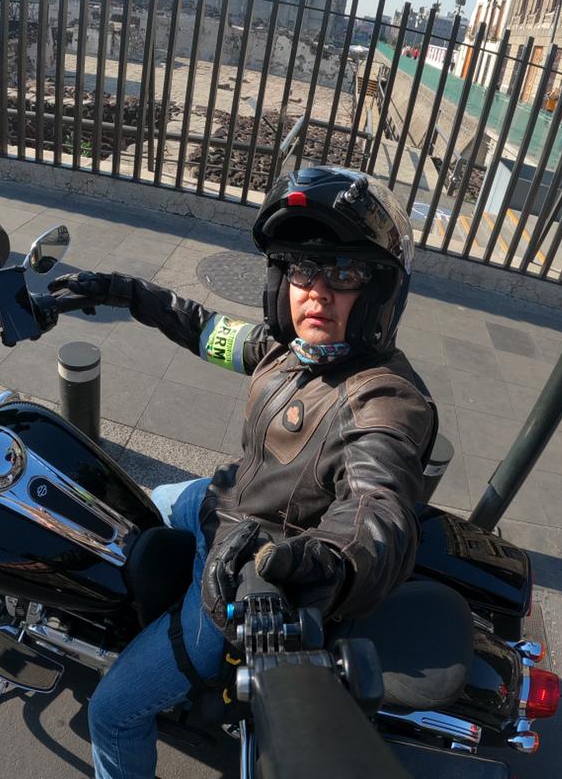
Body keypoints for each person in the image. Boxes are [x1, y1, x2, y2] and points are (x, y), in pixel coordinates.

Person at [48, 166, 439, 779]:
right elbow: (204, 327)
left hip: (244, 576)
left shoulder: (383, 401)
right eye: (302, 270)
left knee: (113, 714)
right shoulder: (287, 350)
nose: (316, 291)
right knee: (136, 506)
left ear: (380, 293)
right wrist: (129, 294)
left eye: (344, 273)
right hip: (218, 504)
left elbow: (376, 508)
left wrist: (323, 562)